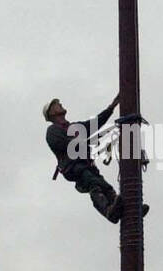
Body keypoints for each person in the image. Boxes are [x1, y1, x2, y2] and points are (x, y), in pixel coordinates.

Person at [43, 95, 148, 223]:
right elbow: (63, 145)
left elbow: (95, 123)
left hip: (86, 165)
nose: (60, 104)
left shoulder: (75, 127)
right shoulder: (52, 131)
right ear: (52, 113)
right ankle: (109, 212)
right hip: (73, 167)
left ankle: (130, 211)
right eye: (56, 105)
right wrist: (82, 141)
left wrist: (112, 106)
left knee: (106, 188)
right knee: (94, 185)